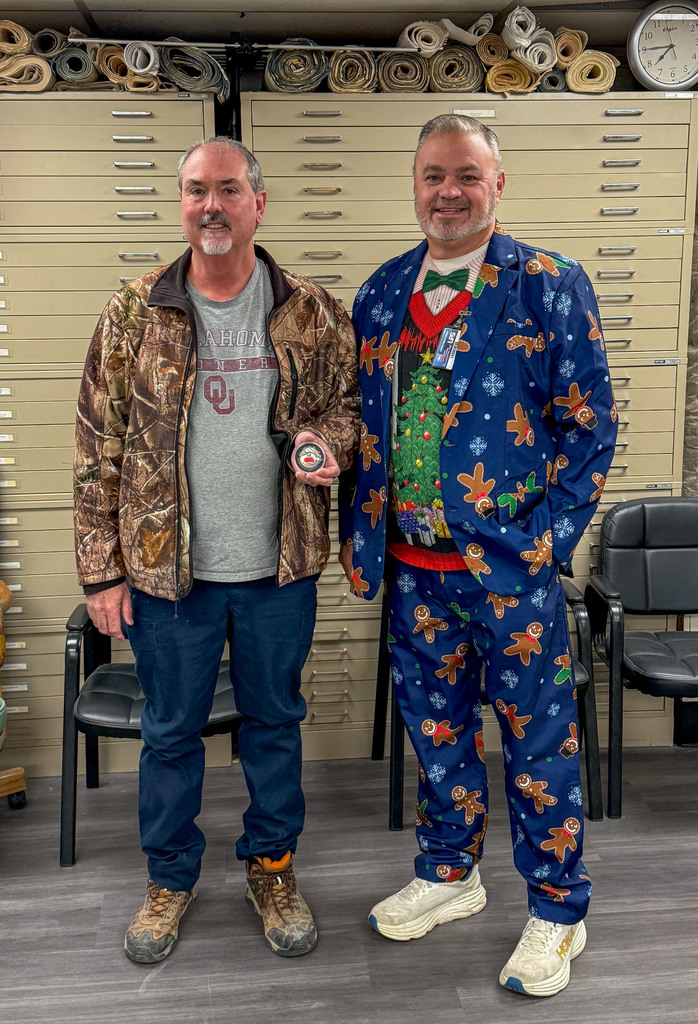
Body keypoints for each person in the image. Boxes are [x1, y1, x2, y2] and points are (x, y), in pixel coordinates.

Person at [338, 114, 617, 997]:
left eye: (466, 175)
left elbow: (590, 429)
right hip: (414, 572)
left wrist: (549, 542)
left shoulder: (548, 284)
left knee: (538, 746)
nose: (447, 192)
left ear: (498, 184)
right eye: (432, 175)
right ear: (413, 184)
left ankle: (557, 912)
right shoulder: (382, 294)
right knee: (438, 735)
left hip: (511, 577)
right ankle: (450, 874)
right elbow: (362, 428)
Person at [74, 135, 359, 964]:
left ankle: (272, 868)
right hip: (169, 576)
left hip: (278, 568)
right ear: (183, 204)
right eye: (197, 190)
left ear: (257, 203)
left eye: (228, 190)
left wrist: (326, 441)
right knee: (170, 734)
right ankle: (170, 879)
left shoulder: (309, 308)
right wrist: (101, 571)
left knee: (275, 723)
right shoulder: (136, 311)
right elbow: (99, 447)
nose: (211, 206)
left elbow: (347, 407)